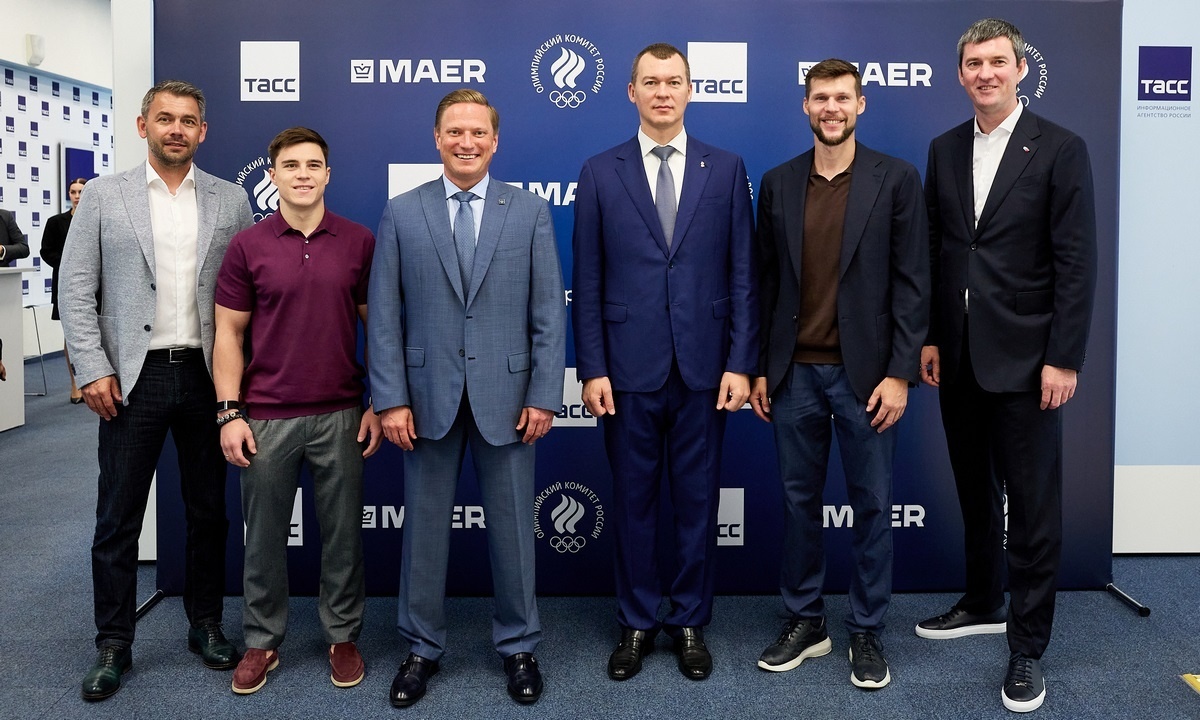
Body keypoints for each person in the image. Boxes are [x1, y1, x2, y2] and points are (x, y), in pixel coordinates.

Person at [916, 18, 1097, 714]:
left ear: (1020, 69)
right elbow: (939, 249)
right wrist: (932, 337)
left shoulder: (1061, 148)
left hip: (1029, 361)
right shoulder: (943, 148)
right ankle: (983, 599)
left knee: (1033, 506)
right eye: (973, 63)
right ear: (960, 74)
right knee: (974, 488)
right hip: (958, 355)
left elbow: (1077, 262)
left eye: (997, 62)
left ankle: (1027, 647)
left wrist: (1063, 357)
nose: (985, 73)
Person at [368, 88, 566, 708]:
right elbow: (384, 316)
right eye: (455, 131)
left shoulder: (529, 211)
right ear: (437, 138)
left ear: (495, 141)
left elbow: (547, 313)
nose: (466, 142)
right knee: (425, 534)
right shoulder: (402, 213)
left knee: (513, 532)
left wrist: (544, 394)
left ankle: (519, 646)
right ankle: (421, 648)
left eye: (478, 132)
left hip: (508, 398)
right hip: (425, 397)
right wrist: (390, 399)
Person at [59, 79, 253, 701]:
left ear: (203, 131)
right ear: (143, 126)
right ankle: (114, 643)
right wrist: (92, 367)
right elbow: (75, 287)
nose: (176, 129)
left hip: (205, 376)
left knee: (208, 511)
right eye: (165, 118)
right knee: (117, 517)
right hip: (129, 379)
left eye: (188, 120)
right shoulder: (103, 196)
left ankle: (206, 624)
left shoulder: (231, 199)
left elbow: (246, 295)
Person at [572, 43, 757, 682]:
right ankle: (636, 621)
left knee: (698, 502)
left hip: (706, 368)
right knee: (633, 502)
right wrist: (591, 368)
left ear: (689, 90)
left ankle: (689, 621)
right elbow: (587, 280)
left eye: (673, 81)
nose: (662, 92)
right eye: (650, 82)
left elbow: (743, 273)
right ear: (631, 92)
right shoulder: (600, 171)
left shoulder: (726, 168)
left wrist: (741, 361)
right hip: (626, 371)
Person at [749, 58, 928, 690]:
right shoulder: (778, 182)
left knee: (872, 505)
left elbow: (913, 283)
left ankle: (867, 629)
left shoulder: (896, 179)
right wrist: (760, 368)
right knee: (798, 504)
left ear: (860, 105)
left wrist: (900, 373)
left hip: (868, 379)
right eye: (821, 98)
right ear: (805, 105)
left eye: (842, 98)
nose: (832, 108)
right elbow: (764, 282)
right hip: (793, 374)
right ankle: (805, 620)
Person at [213, 127, 381, 695]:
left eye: (313, 165)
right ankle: (262, 641)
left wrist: (379, 402)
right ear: (273, 175)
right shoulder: (247, 246)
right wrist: (229, 412)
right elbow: (229, 334)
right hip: (265, 416)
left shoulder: (358, 241)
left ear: (328, 174)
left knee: (343, 537)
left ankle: (342, 636)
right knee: (263, 539)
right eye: (291, 165)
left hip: (341, 413)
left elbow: (378, 328)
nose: (303, 174)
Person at [40, 177, 90, 403]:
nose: (77, 196)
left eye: (81, 191)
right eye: (73, 192)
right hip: (66, 285)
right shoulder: (55, 222)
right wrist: (69, 264)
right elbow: (46, 251)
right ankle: (76, 383)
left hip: (99, 285)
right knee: (72, 335)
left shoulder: (99, 219)